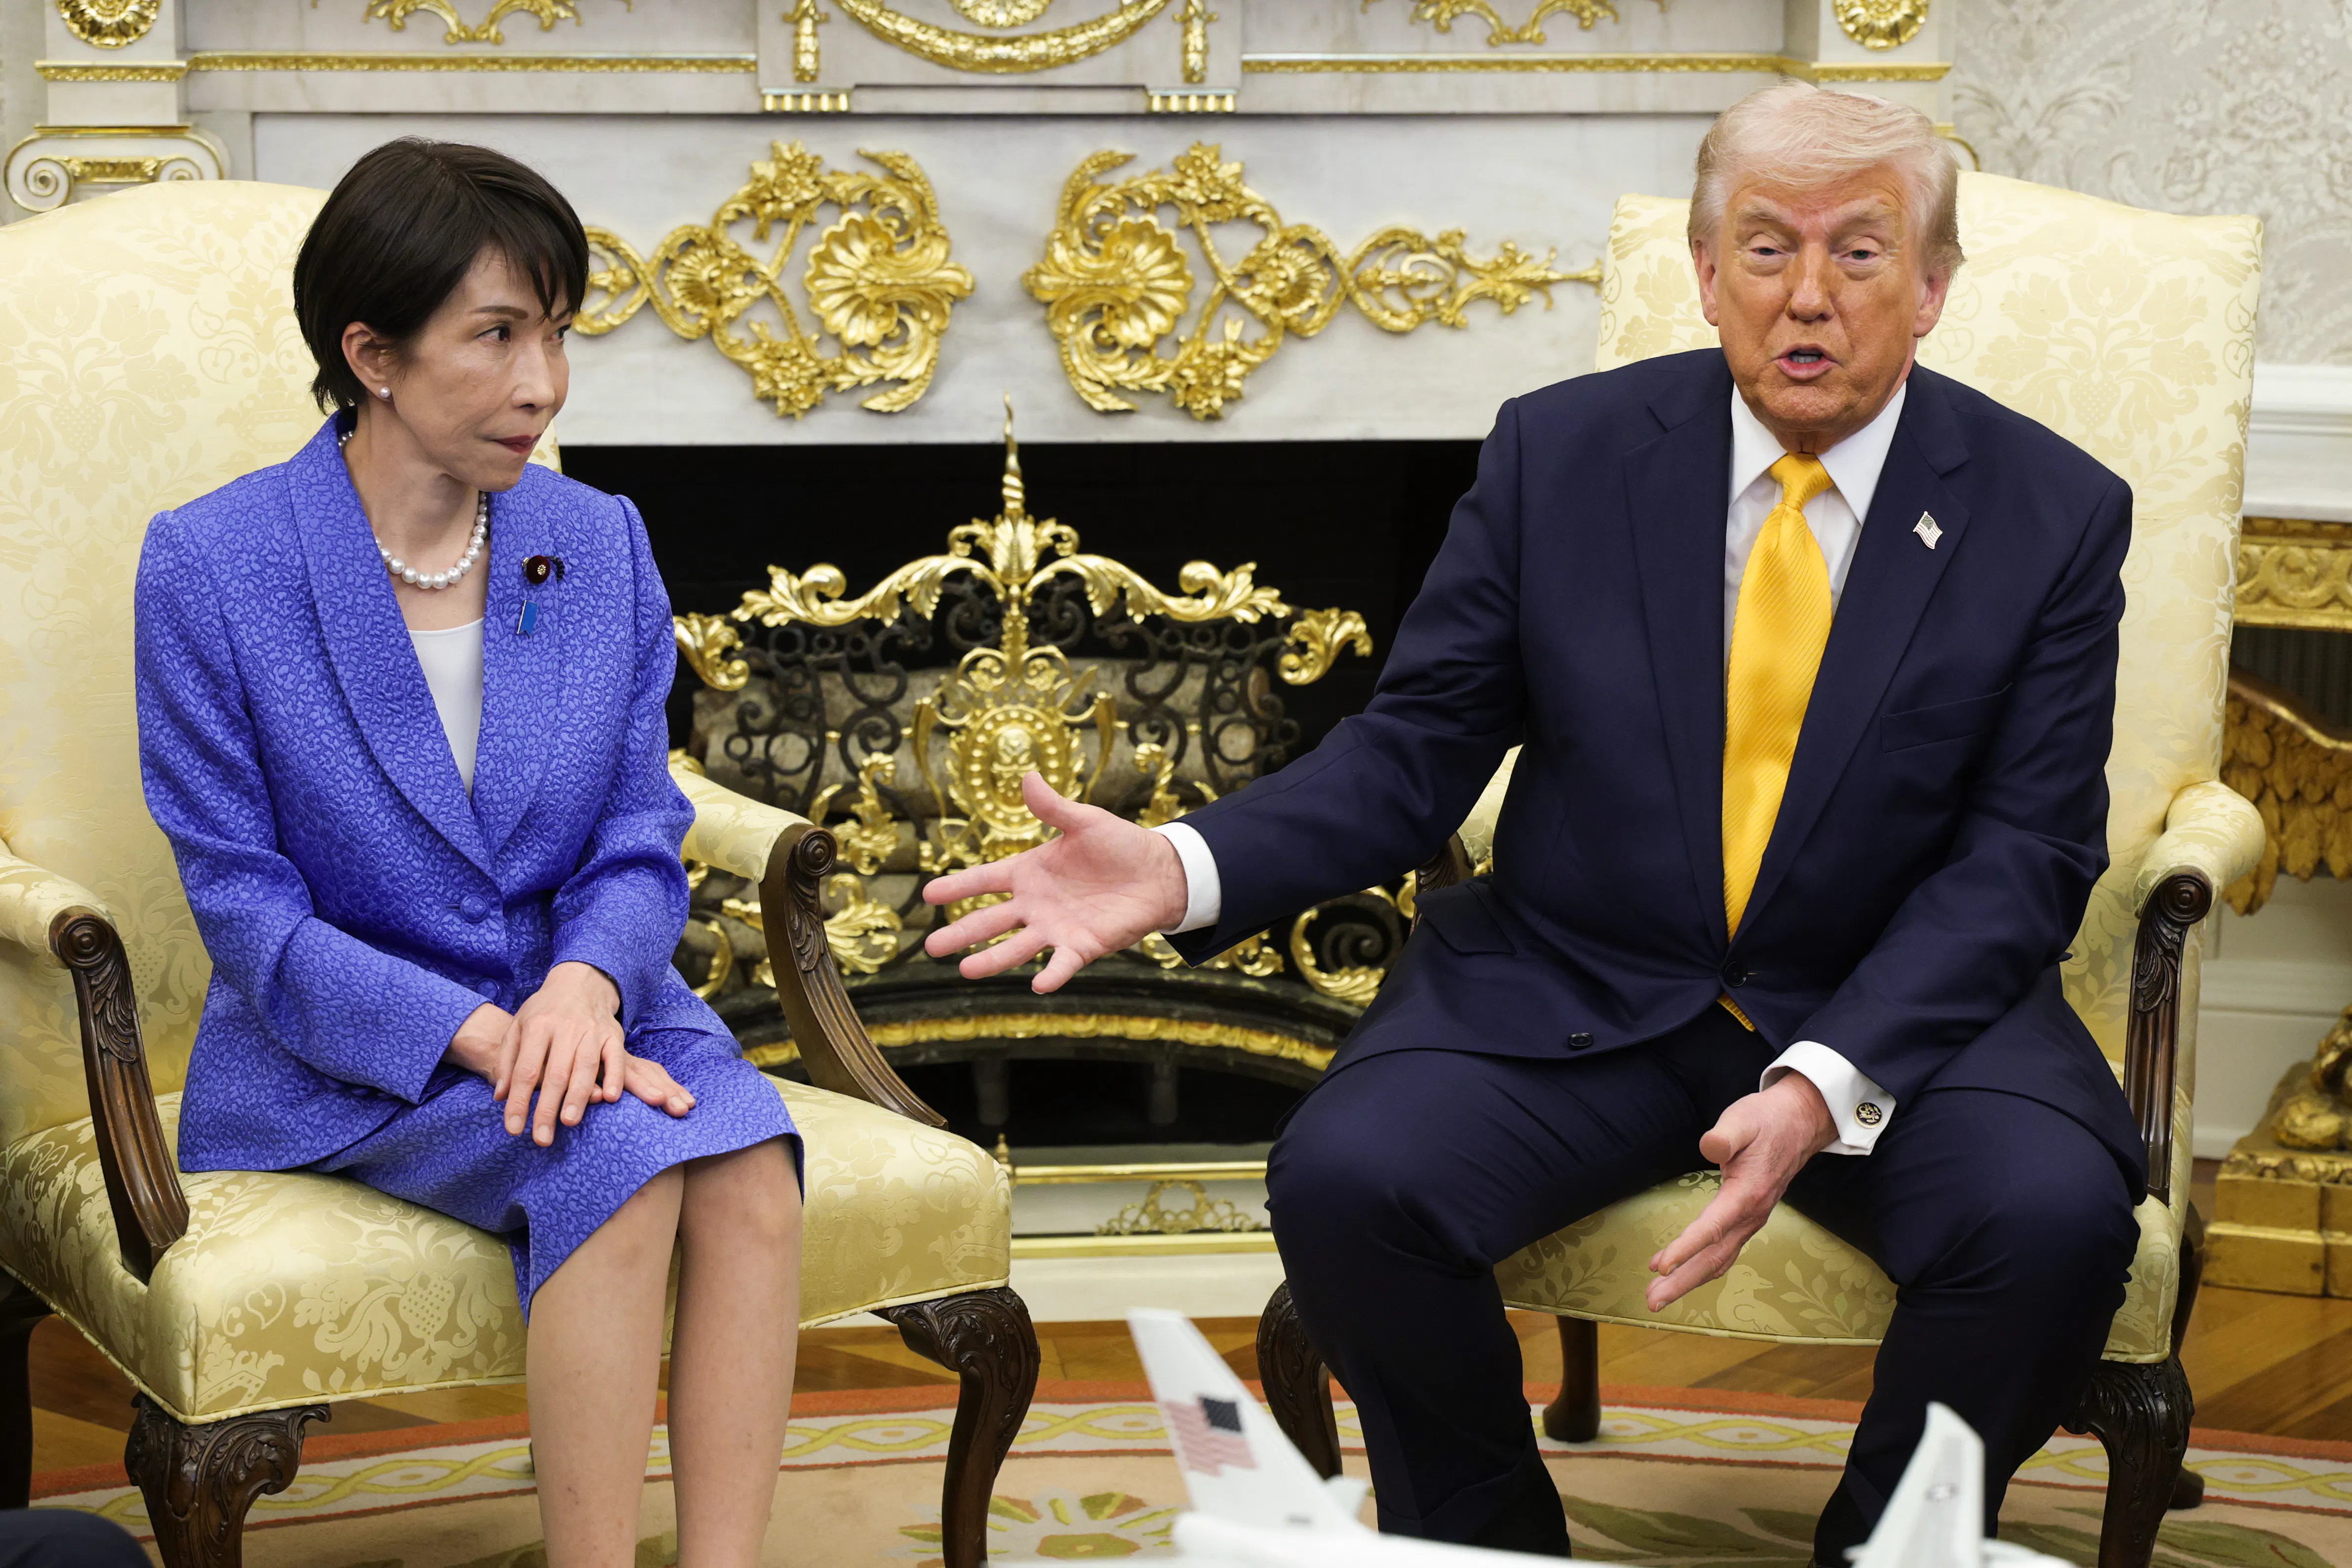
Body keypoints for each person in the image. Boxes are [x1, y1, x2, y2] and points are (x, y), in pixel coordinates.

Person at [923, 83, 2141, 1564]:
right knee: (1352, 1175)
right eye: (1764, 250)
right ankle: (1492, 1542)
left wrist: (1826, 1080)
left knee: (2056, 1218)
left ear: (1935, 286)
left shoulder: (2051, 512)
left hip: (1898, 1011)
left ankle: (1887, 1547)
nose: (1806, 297)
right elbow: (1415, 752)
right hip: (1585, 983)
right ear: (1704, 271)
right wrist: (1182, 864)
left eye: (1861, 254)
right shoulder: (1558, 455)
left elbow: (2028, 856)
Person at [134, 139, 801, 1568]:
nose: (542, 384)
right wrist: (486, 1032)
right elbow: (247, 910)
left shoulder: (598, 539)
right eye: (496, 336)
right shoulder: (211, 567)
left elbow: (638, 827)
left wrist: (584, 991)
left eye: (555, 332)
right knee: (620, 1151)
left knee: (753, 1170)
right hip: (356, 1047)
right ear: (371, 352)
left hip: (582, 998)